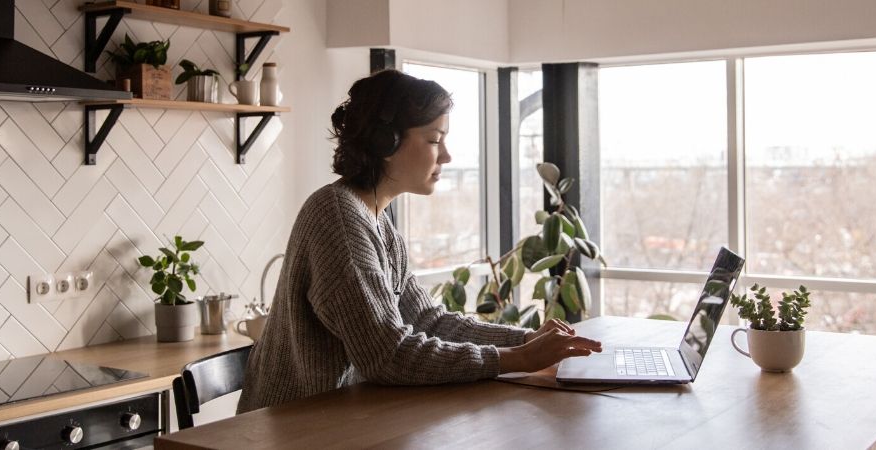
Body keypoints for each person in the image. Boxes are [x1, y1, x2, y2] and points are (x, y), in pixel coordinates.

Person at [237, 69, 603, 413]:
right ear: (386, 142)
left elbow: (428, 321)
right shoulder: (339, 219)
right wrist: (516, 359)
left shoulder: (376, 223)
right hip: (289, 431)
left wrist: (525, 340)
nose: (446, 155)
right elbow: (387, 355)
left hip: (340, 419)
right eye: (434, 140)